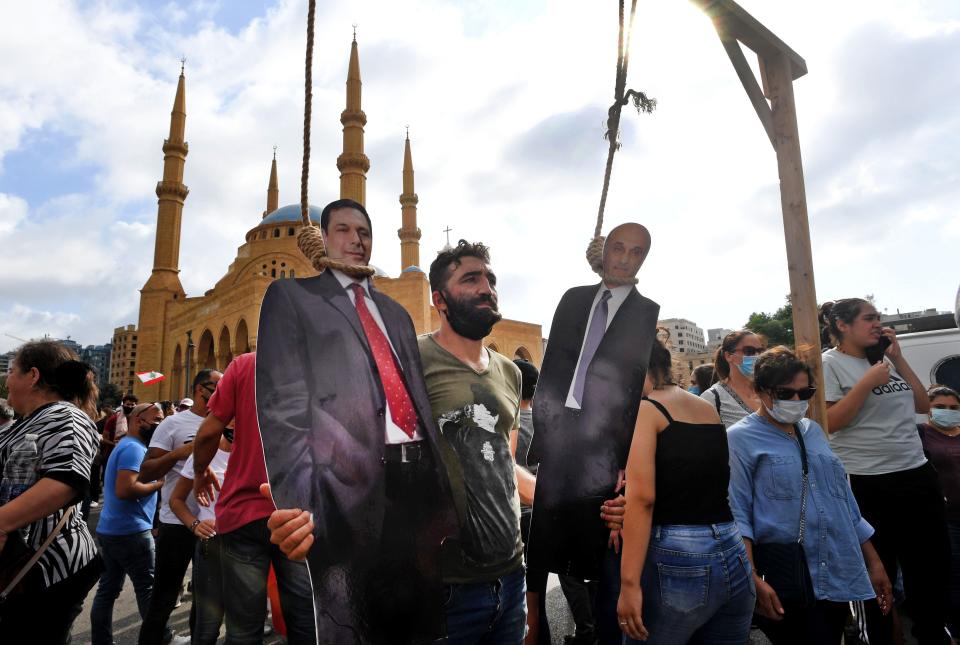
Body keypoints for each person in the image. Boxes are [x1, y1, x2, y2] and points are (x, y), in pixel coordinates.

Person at [256, 199, 458, 644]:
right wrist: (299, 508)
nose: (355, 240)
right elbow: (282, 410)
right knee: (355, 623)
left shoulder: (397, 314)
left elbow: (417, 396)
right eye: (343, 230)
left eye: (363, 232)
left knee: (420, 622)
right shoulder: (295, 298)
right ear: (324, 239)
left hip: (418, 483)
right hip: (344, 492)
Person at [528, 222, 656, 644]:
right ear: (604, 250)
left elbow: (631, 391)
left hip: (604, 451)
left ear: (644, 259)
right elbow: (550, 372)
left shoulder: (645, 312)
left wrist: (623, 463)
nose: (624, 258)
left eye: (635, 252)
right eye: (618, 248)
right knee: (541, 550)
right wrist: (544, 437)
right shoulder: (574, 299)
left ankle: (600, 632)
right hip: (560, 438)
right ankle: (533, 631)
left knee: (602, 554)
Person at [726, 346, 892, 645]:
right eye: (785, 393)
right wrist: (751, 579)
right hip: (788, 574)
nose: (796, 401)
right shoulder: (739, 438)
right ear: (761, 390)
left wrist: (874, 562)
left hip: (839, 567)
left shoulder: (813, 431)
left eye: (805, 393)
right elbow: (738, 513)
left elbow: (843, 502)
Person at [820, 298, 949, 645]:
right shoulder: (829, 364)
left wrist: (898, 359)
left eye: (879, 317)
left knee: (930, 569)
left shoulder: (884, 361)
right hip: (866, 480)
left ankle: (932, 634)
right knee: (879, 575)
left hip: (916, 473)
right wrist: (866, 384)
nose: (878, 323)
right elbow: (830, 422)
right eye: (869, 318)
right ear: (843, 326)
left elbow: (923, 406)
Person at [418, 239, 528, 643]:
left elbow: (504, 462)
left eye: (490, 278)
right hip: (446, 588)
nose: (487, 287)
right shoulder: (412, 360)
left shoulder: (509, 372)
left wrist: (566, 493)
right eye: (471, 278)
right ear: (439, 299)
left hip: (511, 577)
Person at [616, 337, 754, 643]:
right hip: (730, 546)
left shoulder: (646, 409)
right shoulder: (705, 406)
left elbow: (642, 499)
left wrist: (629, 584)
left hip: (679, 556)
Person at [192, 353, 316, 644]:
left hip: (242, 513)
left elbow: (209, 433)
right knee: (305, 618)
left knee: (244, 628)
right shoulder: (320, 361)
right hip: (297, 514)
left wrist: (200, 472)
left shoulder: (245, 364)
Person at [0, 340, 102, 643]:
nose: (7, 379)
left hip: (45, 569)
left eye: (12, 371)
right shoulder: (27, 421)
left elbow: (66, 480)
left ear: (32, 376)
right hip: (25, 566)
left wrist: (2, 522)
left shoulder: (65, 415)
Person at [137, 368, 222, 645]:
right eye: (218, 387)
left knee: (205, 601)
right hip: (176, 524)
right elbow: (146, 472)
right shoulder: (173, 424)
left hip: (212, 526)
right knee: (164, 596)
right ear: (201, 389)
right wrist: (180, 453)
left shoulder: (226, 424)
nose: (223, 392)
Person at [90, 402, 166, 645]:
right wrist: (158, 484)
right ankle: (162, 639)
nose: (158, 425)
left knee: (107, 591)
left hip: (111, 529)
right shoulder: (134, 448)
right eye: (155, 420)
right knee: (148, 589)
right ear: (137, 420)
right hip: (131, 531)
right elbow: (126, 489)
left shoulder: (128, 445)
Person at [170, 424, 232, 645]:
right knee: (207, 627)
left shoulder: (258, 453)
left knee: (242, 627)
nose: (234, 422)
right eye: (229, 418)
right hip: (212, 546)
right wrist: (195, 524)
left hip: (249, 547)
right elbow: (176, 500)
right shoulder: (204, 456)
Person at [512, 358, 551, 645]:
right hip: (542, 516)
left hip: (517, 514)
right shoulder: (546, 420)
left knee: (522, 600)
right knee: (536, 597)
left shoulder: (508, 424)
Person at [917, 385, 960, 638]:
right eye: (940, 407)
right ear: (929, 409)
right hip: (946, 519)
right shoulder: (921, 434)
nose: (948, 412)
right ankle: (953, 630)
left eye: (954, 408)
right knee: (954, 576)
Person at [701, 330, 765, 428]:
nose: (757, 356)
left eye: (760, 351)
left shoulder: (771, 390)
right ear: (728, 356)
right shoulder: (712, 398)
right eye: (749, 351)